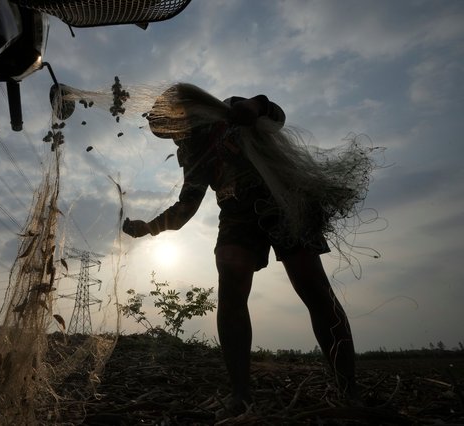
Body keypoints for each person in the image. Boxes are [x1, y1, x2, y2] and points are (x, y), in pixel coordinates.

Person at [122, 91, 361, 416]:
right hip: (236, 214)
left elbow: (275, 115)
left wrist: (255, 106)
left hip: (282, 200)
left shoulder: (229, 110)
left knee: (313, 286)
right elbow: (185, 209)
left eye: (168, 121)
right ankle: (240, 395)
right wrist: (148, 228)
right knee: (231, 285)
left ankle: (348, 388)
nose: (170, 132)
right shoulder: (192, 152)